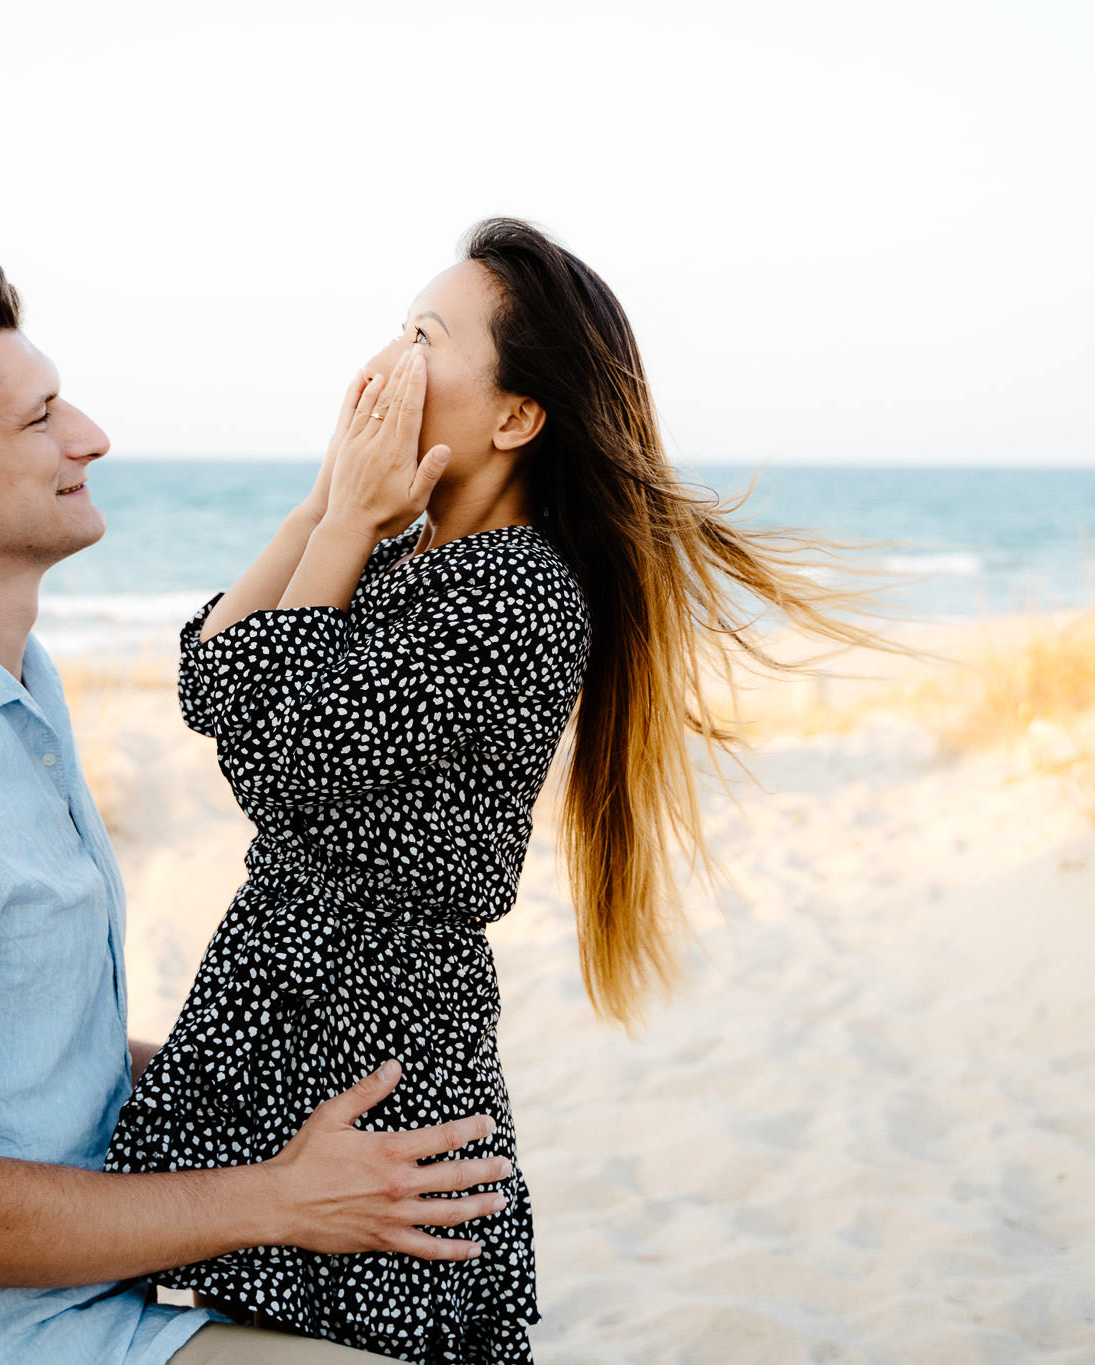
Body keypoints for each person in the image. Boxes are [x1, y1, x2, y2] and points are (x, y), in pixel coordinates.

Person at [106, 219, 891, 1364]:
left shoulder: (518, 596)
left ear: (516, 417)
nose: (383, 364)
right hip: (298, 1009)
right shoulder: (398, 556)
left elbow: (279, 754)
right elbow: (210, 679)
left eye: (424, 336)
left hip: (367, 1037)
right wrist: (324, 510)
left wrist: (337, 530)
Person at [0, 263, 511, 1365]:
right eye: (41, 416)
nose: (92, 437)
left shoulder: (9, 695)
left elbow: (37, 1049)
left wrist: (308, 1080)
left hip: (97, 1302)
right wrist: (280, 1198)